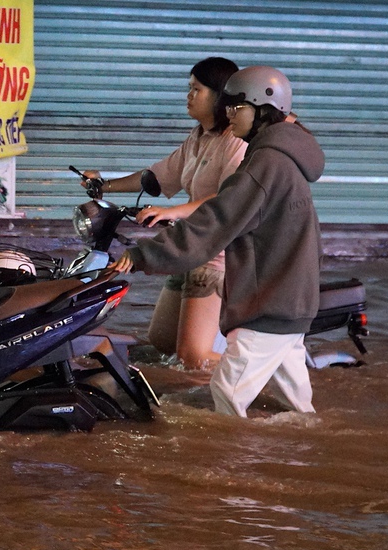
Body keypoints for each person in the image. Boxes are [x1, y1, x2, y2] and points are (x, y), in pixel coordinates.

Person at [111, 66, 324, 418]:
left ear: (263, 111)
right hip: (290, 298)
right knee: (299, 412)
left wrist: (142, 255)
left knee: (226, 393)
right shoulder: (280, 157)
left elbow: (215, 222)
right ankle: (304, 447)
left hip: (271, 303)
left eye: (237, 107)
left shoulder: (265, 164)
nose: (229, 114)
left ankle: (237, 454)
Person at [81, 57, 246, 370]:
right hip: (188, 246)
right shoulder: (198, 138)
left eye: (196, 89)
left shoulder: (235, 142)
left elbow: (227, 198)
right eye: (189, 88)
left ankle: (265, 370)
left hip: (218, 254)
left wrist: (174, 211)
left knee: (193, 357)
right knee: (161, 344)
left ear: (219, 96)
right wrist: (104, 186)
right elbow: (157, 177)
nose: (189, 95)